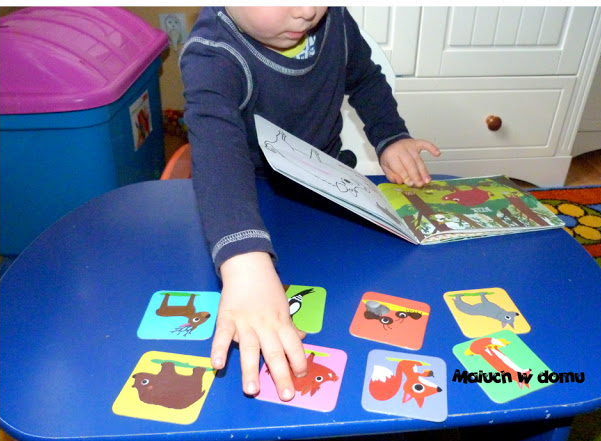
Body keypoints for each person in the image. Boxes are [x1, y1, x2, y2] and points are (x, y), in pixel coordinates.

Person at [180, 6, 441, 402]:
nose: (308, 11)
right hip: (249, 200)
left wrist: (391, 136)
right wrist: (244, 262)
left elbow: (365, 78)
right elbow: (218, 156)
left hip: (325, 187)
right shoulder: (211, 55)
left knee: (356, 311)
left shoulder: (334, 18)